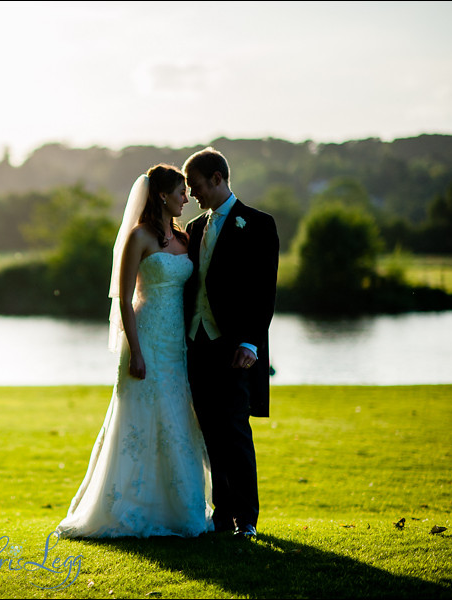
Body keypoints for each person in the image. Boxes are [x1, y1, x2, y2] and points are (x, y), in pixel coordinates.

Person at [55, 164, 213, 539]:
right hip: (145, 340)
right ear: (162, 195)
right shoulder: (138, 237)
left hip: (176, 343)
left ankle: (180, 509)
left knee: (176, 420)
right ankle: (129, 506)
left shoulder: (185, 238)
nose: (186, 198)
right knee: (139, 420)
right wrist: (137, 352)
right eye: (180, 192)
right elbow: (124, 299)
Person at [182, 147, 279, 538]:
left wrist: (251, 344)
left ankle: (246, 519)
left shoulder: (258, 223)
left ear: (218, 178)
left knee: (235, 429)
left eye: (198, 185)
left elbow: (264, 292)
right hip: (196, 344)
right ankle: (221, 517)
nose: (193, 194)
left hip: (235, 347)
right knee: (209, 432)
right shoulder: (192, 228)